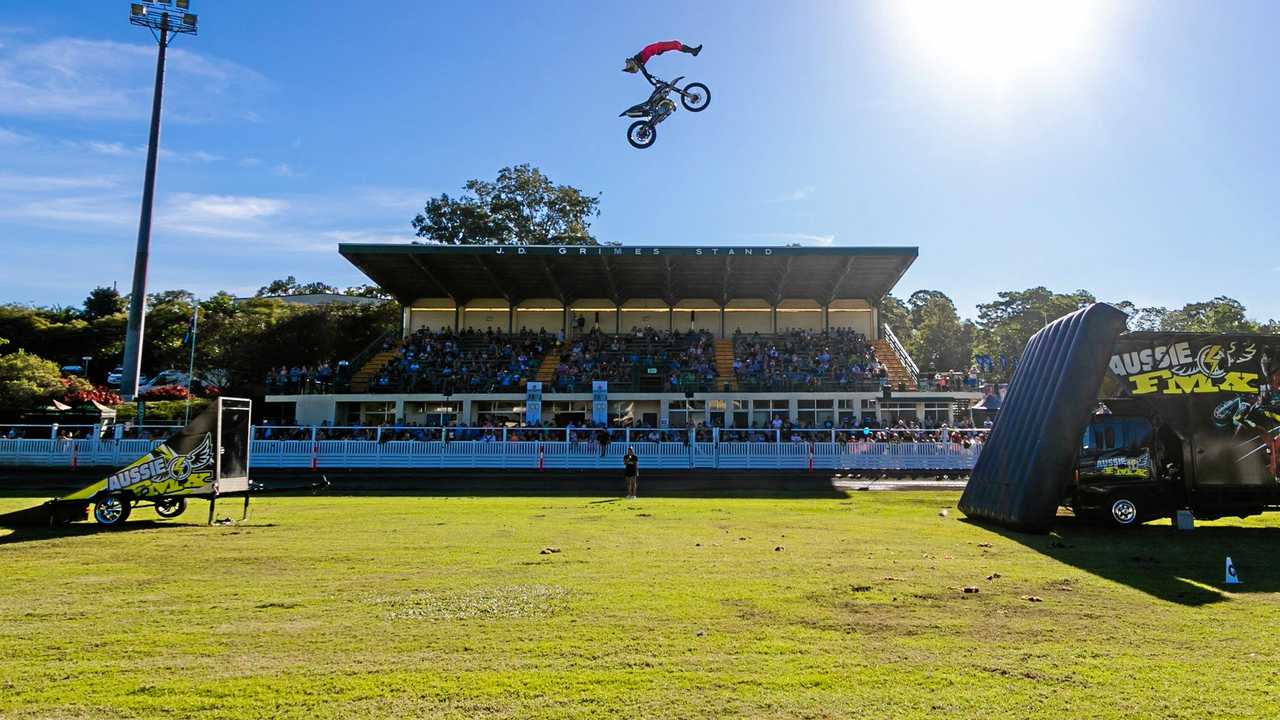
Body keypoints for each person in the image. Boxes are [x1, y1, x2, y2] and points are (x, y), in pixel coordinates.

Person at [623, 40, 702, 79]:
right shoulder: (639, 61)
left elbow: (641, 68)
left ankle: (692, 51)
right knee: (675, 44)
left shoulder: (640, 60)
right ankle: (693, 51)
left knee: (675, 44)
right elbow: (641, 68)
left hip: (658, 48)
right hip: (658, 47)